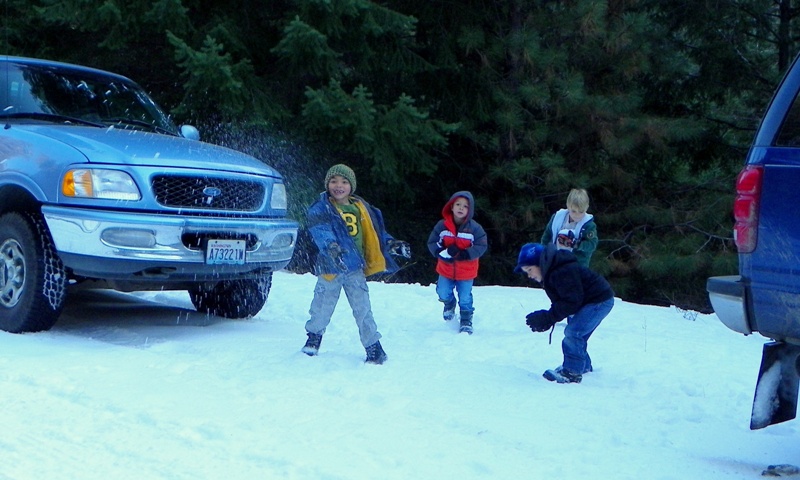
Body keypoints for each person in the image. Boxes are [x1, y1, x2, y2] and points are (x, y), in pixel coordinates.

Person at [302, 164, 410, 364]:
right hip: (330, 267)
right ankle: (313, 338)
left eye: (344, 182)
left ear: (351, 186)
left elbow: (376, 233)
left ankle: (373, 347)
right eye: (333, 181)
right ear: (327, 184)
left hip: (354, 268)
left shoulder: (362, 208)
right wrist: (331, 247)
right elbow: (320, 230)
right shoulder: (321, 207)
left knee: (362, 308)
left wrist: (391, 244)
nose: (338, 186)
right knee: (322, 305)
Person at [514, 242, 614, 384]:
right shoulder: (553, 271)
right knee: (577, 334)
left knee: (574, 333)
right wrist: (549, 317)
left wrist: (549, 317)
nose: (529, 275)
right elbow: (566, 299)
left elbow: (571, 301)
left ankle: (572, 372)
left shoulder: (561, 271)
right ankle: (582, 366)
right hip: (587, 302)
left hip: (598, 301)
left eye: (529, 269)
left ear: (541, 263)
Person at [426, 191, 488, 334]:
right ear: (451, 207)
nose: (461, 208)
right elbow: (433, 242)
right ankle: (449, 303)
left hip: (466, 271)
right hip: (446, 269)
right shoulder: (442, 226)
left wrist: (466, 254)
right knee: (442, 291)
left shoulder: (475, 229)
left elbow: (481, 245)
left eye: (465, 206)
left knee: (465, 296)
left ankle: (466, 318)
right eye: (458, 205)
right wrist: (440, 252)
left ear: (469, 210)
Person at [541, 188, 598, 268]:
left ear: (587, 208)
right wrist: (544, 252)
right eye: (573, 211)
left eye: (581, 212)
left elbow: (592, 245)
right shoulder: (557, 218)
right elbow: (547, 235)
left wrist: (577, 244)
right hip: (556, 261)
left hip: (577, 265)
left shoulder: (588, 225)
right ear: (568, 205)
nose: (577, 215)